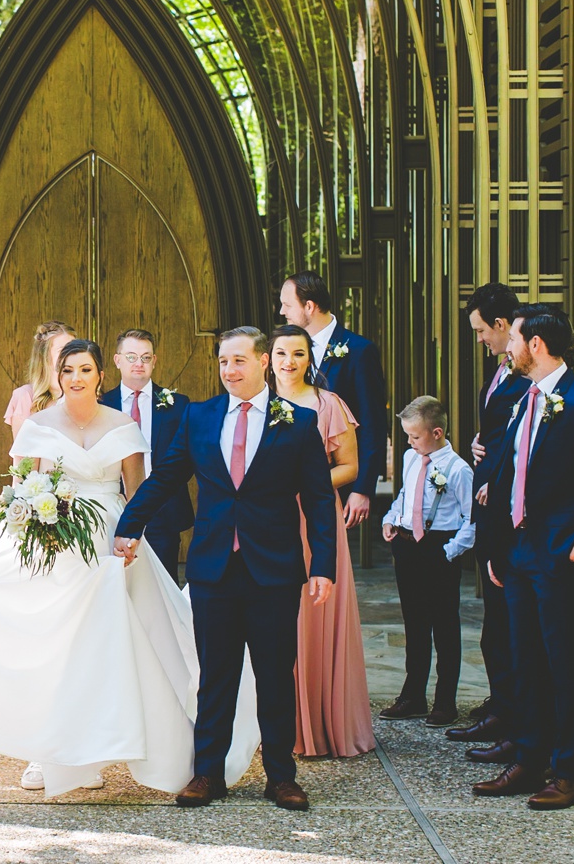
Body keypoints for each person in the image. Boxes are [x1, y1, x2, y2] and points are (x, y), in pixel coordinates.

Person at [0, 339, 198, 797]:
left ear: (102, 375)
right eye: (68, 371)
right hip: (56, 543)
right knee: (58, 644)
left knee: (112, 646)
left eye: (85, 370)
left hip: (108, 544)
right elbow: (22, 488)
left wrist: (132, 536)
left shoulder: (124, 424)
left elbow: (138, 492)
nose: (76, 378)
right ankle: (49, 750)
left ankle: (105, 745)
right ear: (57, 376)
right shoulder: (38, 425)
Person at [116, 326, 338, 811]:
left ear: (263, 362)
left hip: (274, 570)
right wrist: (128, 525)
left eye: (238, 361)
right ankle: (207, 773)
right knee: (215, 675)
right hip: (215, 567)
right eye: (222, 362)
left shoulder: (298, 422)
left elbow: (320, 500)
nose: (229, 371)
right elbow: (166, 478)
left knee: (276, 676)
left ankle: (281, 776)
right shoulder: (199, 417)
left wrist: (323, 564)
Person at [471, 305, 574, 810]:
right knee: (525, 660)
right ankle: (529, 758)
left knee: (562, 665)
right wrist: (498, 546)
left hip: (564, 556)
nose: (510, 349)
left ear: (537, 345)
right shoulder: (526, 400)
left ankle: (569, 774)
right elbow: (510, 474)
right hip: (520, 552)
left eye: (516, 340)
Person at [264, 325, 375, 757]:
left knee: (314, 613)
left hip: (314, 520)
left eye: (297, 353)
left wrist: (303, 483)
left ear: (311, 359)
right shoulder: (257, 405)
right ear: (266, 359)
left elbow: (349, 466)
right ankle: (275, 725)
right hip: (267, 520)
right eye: (280, 353)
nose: (288, 362)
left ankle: (321, 724)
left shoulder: (329, 405)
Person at [449, 283, 529, 752]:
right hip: (489, 506)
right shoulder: (500, 373)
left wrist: (492, 458)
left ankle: (511, 713)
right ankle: (501, 703)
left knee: (505, 620)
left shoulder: (524, 379)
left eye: (482, 330)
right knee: (494, 621)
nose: (479, 338)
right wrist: (482, 445)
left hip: (504, 511)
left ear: (502, 326)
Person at [378, 396, 476, 727]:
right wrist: (391, 518)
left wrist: (449, 552)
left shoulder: (458, 469)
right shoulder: (410, 457)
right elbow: (406, 496)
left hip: (439, 547)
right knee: (414, 624)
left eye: (415, 437)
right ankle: (413, 695)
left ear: (436, 432)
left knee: (445, 626)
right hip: (407, 545)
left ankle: (445, 701)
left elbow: (471, 518)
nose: (409, 442)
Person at [279, 272, 387, 529]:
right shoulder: (282, 351)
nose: (281, 311)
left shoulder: (359, 351)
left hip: (335, 481)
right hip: (286, 484)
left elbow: (373, 423)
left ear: (309, 306)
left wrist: (363, 489)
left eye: (287, 304)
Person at [99, 328, 193, 583]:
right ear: (117, 360)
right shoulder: (101, 404)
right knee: (118, 583)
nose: (139, 363)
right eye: (131, 357)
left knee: (165, 585)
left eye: (146, 357)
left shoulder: (179, 404)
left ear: (154, 361)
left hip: (164, 510)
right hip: (115, 509)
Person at [4, 320, 76, 439]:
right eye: (62, 350)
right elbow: (21, 455)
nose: (71, 355)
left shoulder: (83, 393)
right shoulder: (25, 396)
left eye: (74, 349)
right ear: (45, 356)